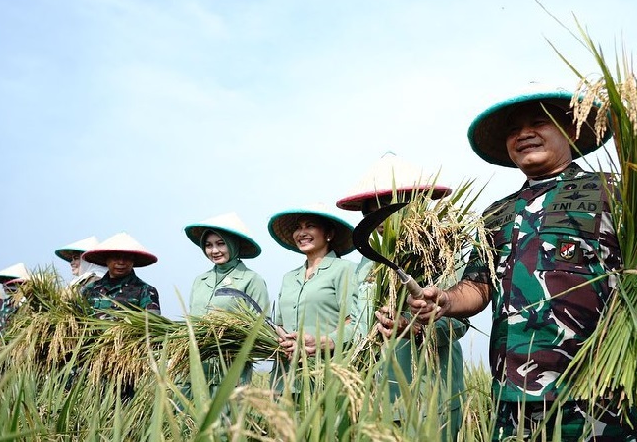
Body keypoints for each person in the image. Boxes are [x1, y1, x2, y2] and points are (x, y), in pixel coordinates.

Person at [408, 87, 637, 441]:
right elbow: (478, 285)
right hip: (514, 398)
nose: (524, 134)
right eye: (513, 130)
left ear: (569, 130)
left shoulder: (614, 192)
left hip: (601, 391)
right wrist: (444, 300)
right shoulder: (497, 213)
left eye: (539, 122)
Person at [335, 153, 465, 441]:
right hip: (378, 394)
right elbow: (358, 326)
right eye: (373, 212)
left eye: (390, 208)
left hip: (430, 393)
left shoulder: (440, 252)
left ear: (414, 205)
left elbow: (459, 321)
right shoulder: (366, 263)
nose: (381, 219)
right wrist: (327, 342)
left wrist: (415, 328)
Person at [267, 203, 360, 391]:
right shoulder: (289, 278)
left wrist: (323, 341)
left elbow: (355, 323)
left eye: (309, 226)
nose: (301, 233)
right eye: (297, 228)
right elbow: (280, 326)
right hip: (285, 378)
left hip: (327, 375)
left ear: (329, 234)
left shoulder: (344, 270)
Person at [184, 212, 270, 387]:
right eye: (208, 245)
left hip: (230, 366)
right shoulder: (200, 281)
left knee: (227, 413)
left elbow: (261, 325)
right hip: (195, 365)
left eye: (221, 244)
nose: (214, 251)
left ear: (233, 244)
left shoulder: (251, 279)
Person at [80, 232, 161, 317]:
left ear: (133, 261)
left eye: (127, 258)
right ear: (106, 259)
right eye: (116, 257)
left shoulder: (145, 291)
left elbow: (150, 325)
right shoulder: (89, 290)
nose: (121, 262)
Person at [0, 262, 32, 341]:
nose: (5, 284)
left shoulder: (30, 303)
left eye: (9, 280)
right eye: (3, 281)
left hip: (14, 347)